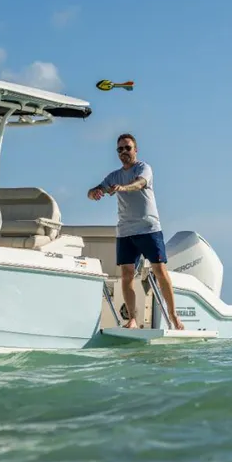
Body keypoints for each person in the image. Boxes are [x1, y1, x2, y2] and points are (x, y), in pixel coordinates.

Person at [86, 133, 184, 330]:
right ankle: (132, 319)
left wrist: (123, 188)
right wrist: (95, 193)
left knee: (159, 270)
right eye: (120, 149)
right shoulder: (113, 176)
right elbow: (92, 192)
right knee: (127, 274)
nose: (124, 152)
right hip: (125, 231)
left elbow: (140, 183)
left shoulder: (143, 168)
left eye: (127, 148)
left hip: (148, 228)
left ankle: (173, 316)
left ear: (135, 149)